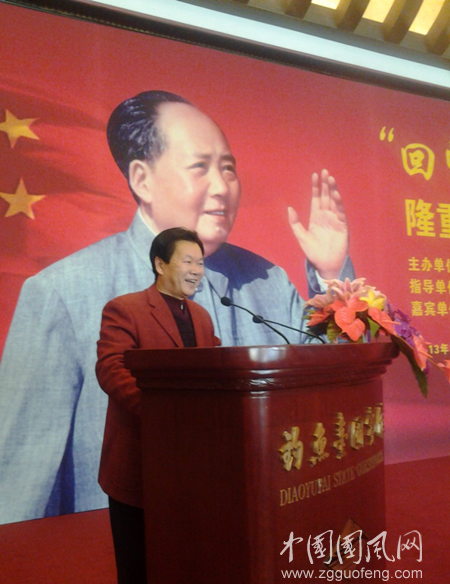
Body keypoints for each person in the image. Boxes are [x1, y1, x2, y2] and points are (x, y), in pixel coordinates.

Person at [0, 90, 354, 524]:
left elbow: (339, 389)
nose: (222, 187)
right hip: (130, 544)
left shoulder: (268, 281)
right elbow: (21, 482)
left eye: (228, 168)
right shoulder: (62, 293)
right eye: (200, 167)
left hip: (262, 532)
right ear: (142, 179)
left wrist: (331, 276)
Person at [97, 227, 219, 584]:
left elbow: (217, 372)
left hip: (191, 467)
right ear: (160, 264)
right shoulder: (126, 308)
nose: (196, 270)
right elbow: (111, 369)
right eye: (188, 261)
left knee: (185, 562)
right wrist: (165, 418)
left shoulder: (201, 316)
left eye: (200, 263)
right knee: (138, 568)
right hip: (140, 460)